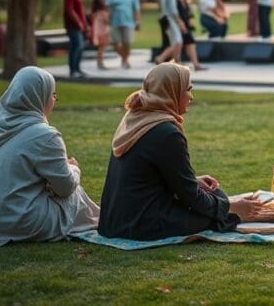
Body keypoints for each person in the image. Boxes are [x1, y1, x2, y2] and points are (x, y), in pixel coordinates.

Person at [98, 63, 264, 239]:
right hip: (140, 224)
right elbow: (191, 197)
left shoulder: (136, 118)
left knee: (213, 193)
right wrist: (231, 207)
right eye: (188, 90)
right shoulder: (166, 133)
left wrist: (193, 181)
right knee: (221, 215)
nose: (191, 96)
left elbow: (147, 174)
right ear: (171, 91)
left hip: (113, 221)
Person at [0, 66, 99, 244]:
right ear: (38, 96)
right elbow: (65, 188)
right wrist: (74, 168)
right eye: (52, 94)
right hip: (22, 223)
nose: (54, 99)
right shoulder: (45, 135)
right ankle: (105, 221)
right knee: (76, 194)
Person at [105, 0, 141, 69]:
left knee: (127, 43)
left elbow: (136, 10)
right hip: (114, 22)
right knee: (115, 43)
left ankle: (125, 61)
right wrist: (106, 20)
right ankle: (125, 59)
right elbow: (107, 8)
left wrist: (137, 22)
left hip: (128, 22)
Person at [63, 0, 89, 78]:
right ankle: (73, 70)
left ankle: (77, 69)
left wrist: (85, 24)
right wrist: (78, 22)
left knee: (79, 46)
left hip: (79, 26)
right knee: (77, 46)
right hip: (73, 26)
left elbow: (80, 11)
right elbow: (69, 10)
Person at [178, 0, 203, 70]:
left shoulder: (187, 1)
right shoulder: (180, 0)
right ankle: (196, 64)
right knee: (190, 43)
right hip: (182, 27)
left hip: (186, 27)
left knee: (189, 44)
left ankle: (195, 64)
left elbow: (189, 15)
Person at [90, 0, 110, 70]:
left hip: (101, 30)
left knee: (102, 47)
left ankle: (100, 62)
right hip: (102, 31)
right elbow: (107, 21)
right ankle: (100, 63)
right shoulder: (101, 10)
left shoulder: (98, 9)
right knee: (102, 47)